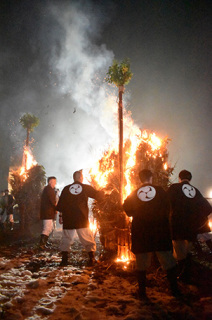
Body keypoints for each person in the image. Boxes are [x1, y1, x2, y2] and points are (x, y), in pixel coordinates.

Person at [123, 169, 180, 298]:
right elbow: (168, 208)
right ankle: (175, 290)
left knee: (141, 264)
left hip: (142, 232)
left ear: (140, 179)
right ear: (151, 177)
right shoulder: (160, 191)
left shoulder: (135, 193)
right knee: (168, 261)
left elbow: (127, 208)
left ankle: (142, 293)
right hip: (160, 231)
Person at [167, 170, 212, 282]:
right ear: (190, 179)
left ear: (179, 178)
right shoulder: (195, 191)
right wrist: (196, 219)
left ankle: (183, 276)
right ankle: (187, 275)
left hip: (177, 227)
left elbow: (165, 203)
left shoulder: (174, 188)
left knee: (179, 253)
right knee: (187, 252)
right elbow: (208, 208)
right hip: (191, 229)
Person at [56, 170, 104, 266]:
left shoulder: (66, 189)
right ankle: (91, 258)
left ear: (74, 178)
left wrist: (61, 216)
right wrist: (104, 191)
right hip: (81, 217)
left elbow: (60, 205)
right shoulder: (85, 187)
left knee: (66, 238)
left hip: (68, 217)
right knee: (87, 238)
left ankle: (64, 260)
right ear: (81, 178)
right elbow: (98, 195)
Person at [39, 176, 57, 249]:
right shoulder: (49, 189)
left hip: (47, 212)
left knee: (50, 227)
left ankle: (45, 242)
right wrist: (57, 208)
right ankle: (42, 244)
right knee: (47, 228)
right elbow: (53, 201)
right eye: (54, 182)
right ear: (50, 182)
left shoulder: (48, 189)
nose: (55, 184)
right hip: (47, 212)